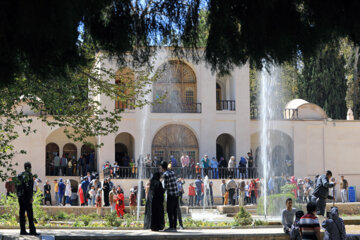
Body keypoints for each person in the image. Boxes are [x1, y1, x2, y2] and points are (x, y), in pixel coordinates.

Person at [16, 162, 39, 236]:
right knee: (30, 213)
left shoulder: (19, 175)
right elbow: (29, 188)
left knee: (21, 213)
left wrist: (18, 195)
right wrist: (31, 197)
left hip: (20, 196)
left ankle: (22, 230)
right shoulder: (29, 175)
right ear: (30, 168)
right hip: (26, 196)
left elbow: (17, 186)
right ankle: (32, 230)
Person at [160, 161, 178, 232]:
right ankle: (175, 227)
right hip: (176, 194)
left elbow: (166, 186)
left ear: (162, 167)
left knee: (169, 211)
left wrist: (161, 193)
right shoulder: (172, 172)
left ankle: (171, 227)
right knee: (174, 211)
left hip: (171, 195)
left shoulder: (165, 174)